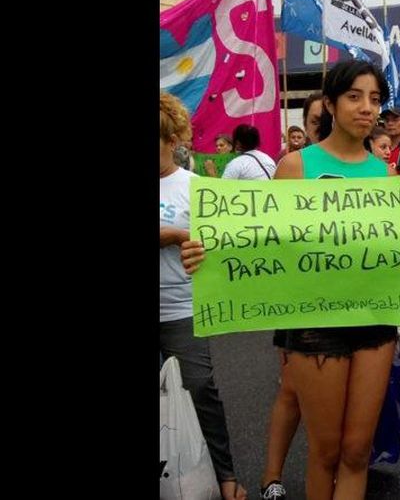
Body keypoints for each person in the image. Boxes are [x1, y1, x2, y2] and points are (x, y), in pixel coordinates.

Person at [183, 59, 400, 500]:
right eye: (355, 97)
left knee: (358, 451)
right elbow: (262, 243)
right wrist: (206, 253)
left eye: (375, 100)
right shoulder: (295, 166)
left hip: (375, 323)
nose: (366, 108)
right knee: (325, 451)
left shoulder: (389, 175)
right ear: (331, 103)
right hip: (314, 328)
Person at [159, 92, 248, 500]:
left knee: (200, 391)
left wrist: (201, 249)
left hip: (181, 309)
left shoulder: (197, 188)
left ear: (173, 138)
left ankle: (224, 476)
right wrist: (176, 235)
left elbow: (223, 246)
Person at [212, 124, 276, 180]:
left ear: (237, 143)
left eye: (221, 145)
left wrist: (212, 173)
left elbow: (223, 188)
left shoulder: (236, 164)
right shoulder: (269, 159)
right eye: (216, 146)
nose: (218, 148)